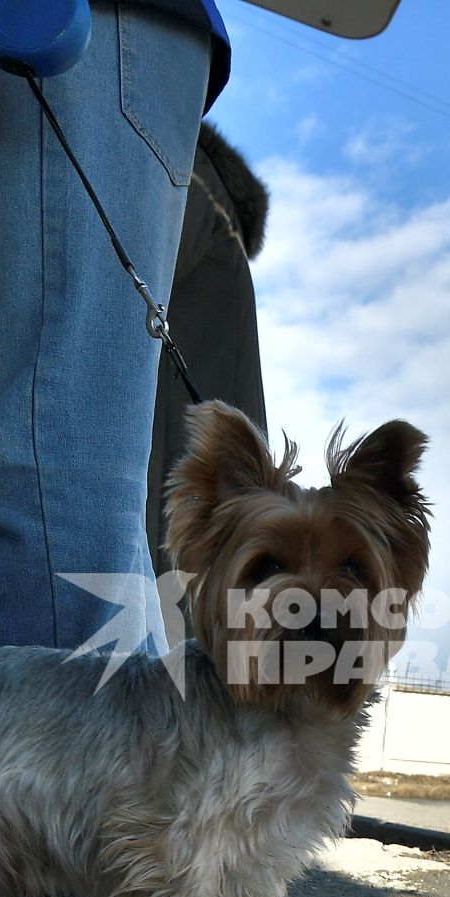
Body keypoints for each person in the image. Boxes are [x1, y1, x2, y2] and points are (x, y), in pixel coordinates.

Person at [0, 0, 232, 652]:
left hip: (52, 35)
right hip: (98, 49)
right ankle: (133, 759)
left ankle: (87, 762)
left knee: (55, 510)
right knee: (87, 527)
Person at [148, 122, 271, 577]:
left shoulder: (188, 177)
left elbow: (110, 289)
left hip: (168, 494)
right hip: (207, 514)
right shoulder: (225, 233)